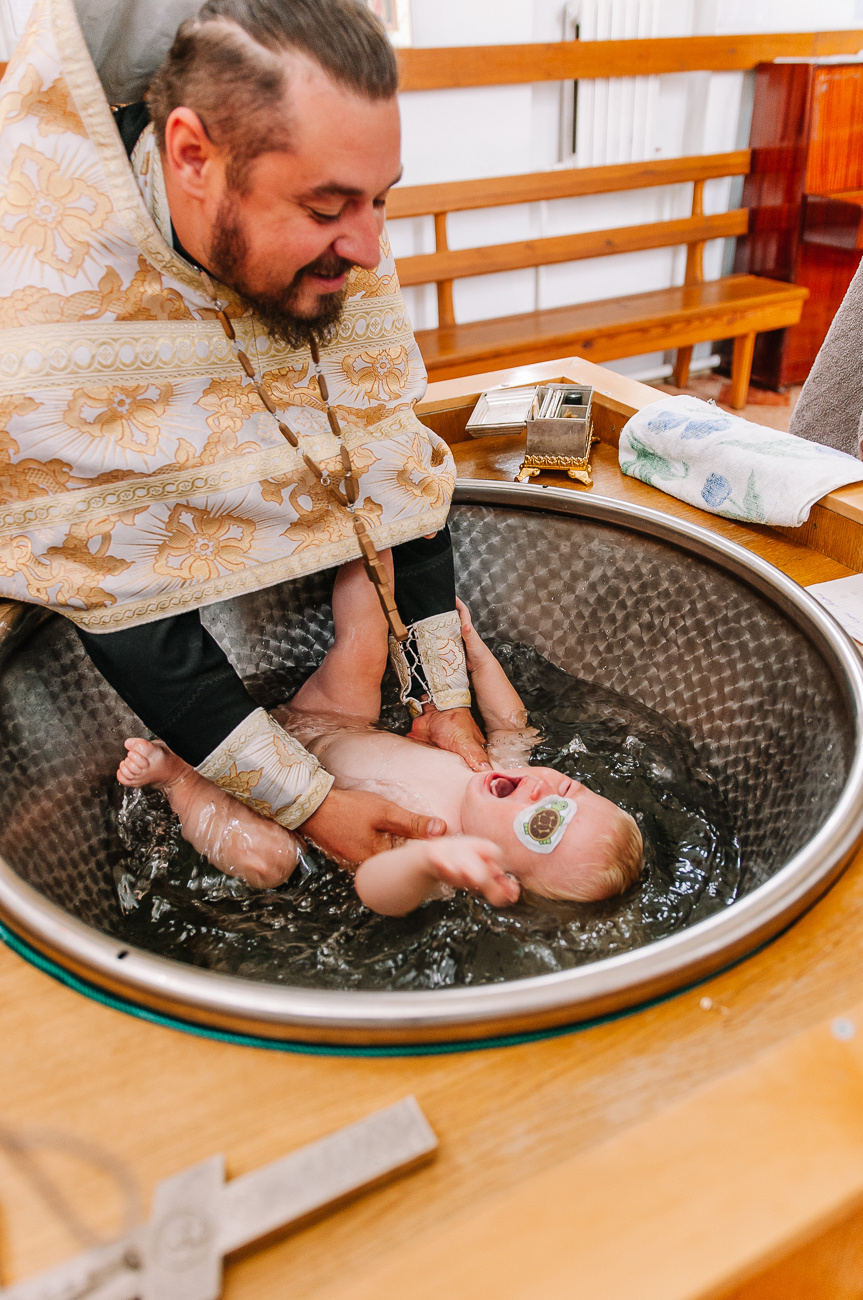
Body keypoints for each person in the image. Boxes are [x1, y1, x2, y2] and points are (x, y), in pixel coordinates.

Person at [0, 0, 488, 867]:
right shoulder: (45, 314)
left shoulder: (335, 230)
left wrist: (442, 691)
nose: (371, 248)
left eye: (381, 198)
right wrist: (309, 803)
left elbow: (384, 457)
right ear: (192, 156)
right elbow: (119, 583)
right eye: (329, 205)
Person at [117, 551, 644, 915]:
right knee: (366, 643)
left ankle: (181, 778)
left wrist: (426, 860)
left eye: (543, 823)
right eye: (568, 789)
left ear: (501, 873)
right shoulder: (505, 768)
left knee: (266, 860)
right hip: (329, 720)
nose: (541, 790)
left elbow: (376, 891)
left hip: (269, 804)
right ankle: (359, 542)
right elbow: (511, 720)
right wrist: (473, 652)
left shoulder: (442, 853)